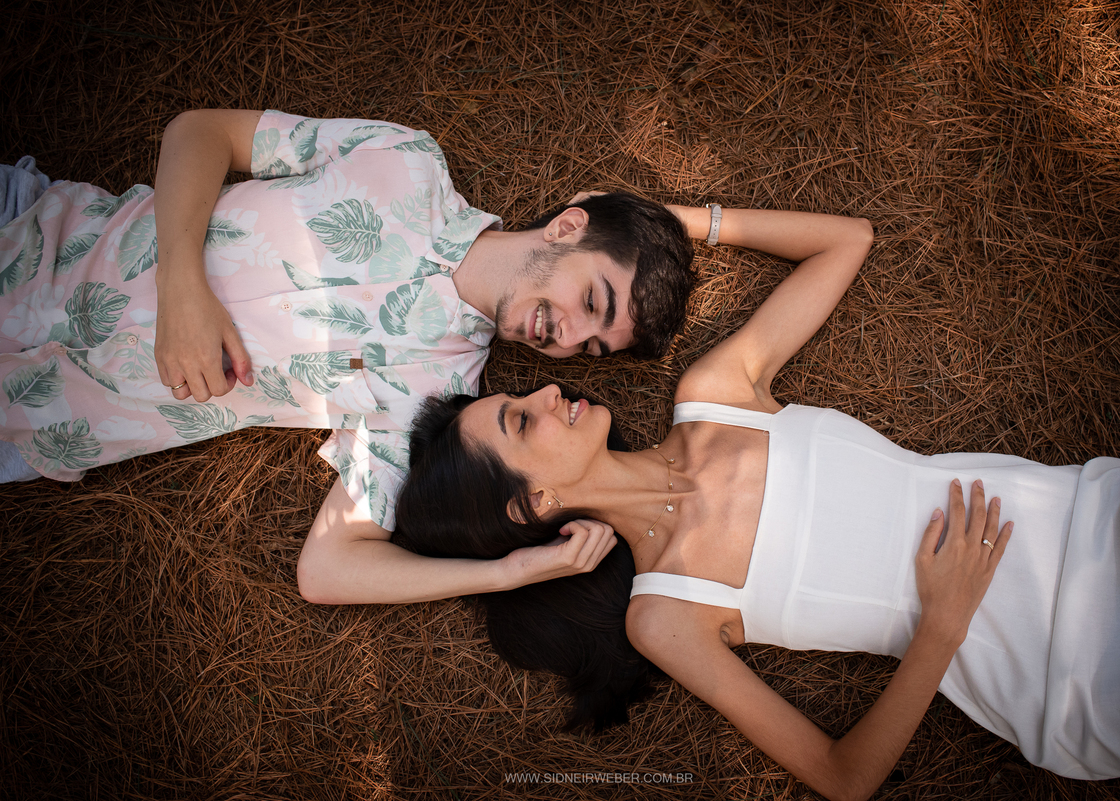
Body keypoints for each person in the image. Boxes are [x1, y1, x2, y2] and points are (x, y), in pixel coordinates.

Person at [392, 207, 1120, 801]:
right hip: (1051, 662)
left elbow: (847, 240)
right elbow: (844, 777)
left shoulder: (714, 395)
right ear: (535, 501)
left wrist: (666, 224)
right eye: (520, 419)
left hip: (1097, 522)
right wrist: (943, 626)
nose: (546, 388)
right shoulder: (664, 615)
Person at [0, 109, 697, 603]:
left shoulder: (435, 397)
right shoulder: (402, 161)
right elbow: (200, 131)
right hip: (29, 230)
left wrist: (507, 573)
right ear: (569, 227)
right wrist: (180, 283)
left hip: (33, 418)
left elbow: (327, 569)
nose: (567, 339)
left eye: (592, 346)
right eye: (592, 301)